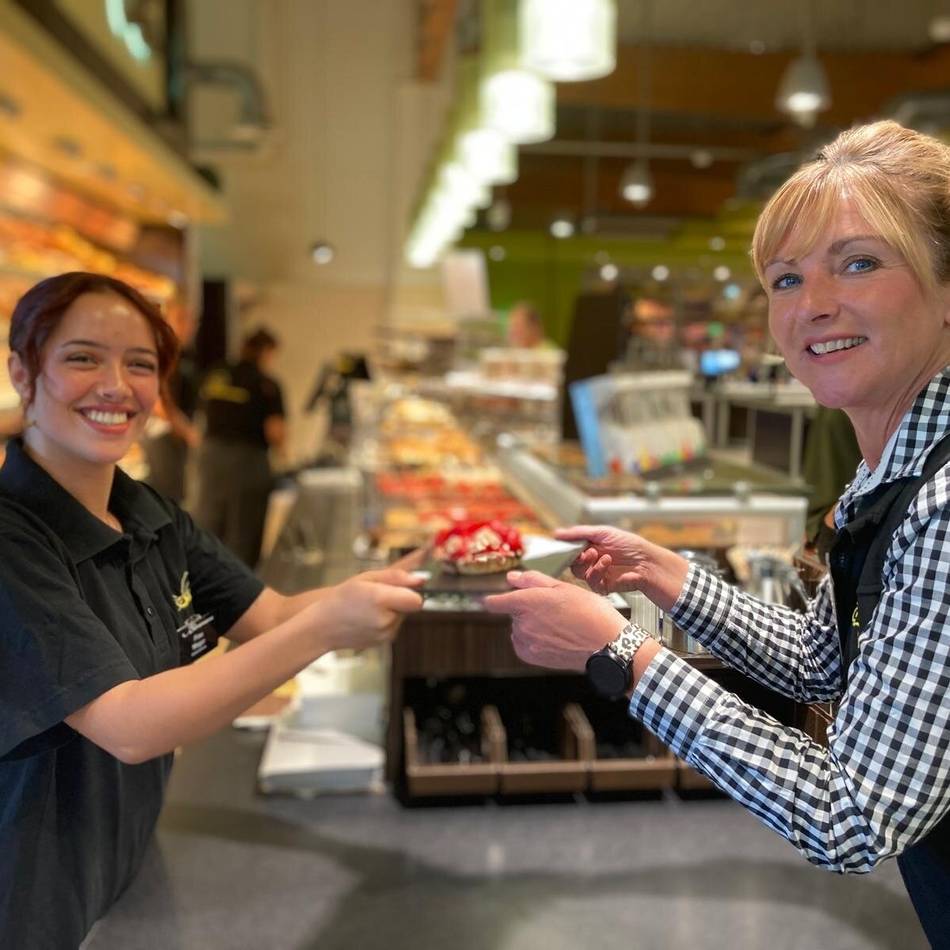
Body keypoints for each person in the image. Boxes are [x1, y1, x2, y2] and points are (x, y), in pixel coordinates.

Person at [484, 120, 950, 945]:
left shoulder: (943, 504)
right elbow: (823, 662)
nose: (814, 305)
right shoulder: (893, 470)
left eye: (859, 263)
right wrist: (666, 576)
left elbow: (850, 820)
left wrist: (620, 653)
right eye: (785, 278)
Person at [0, 272, 424, 950]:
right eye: (83, 357)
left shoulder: (148, 514)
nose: (116, 384)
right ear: (25, 371)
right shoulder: (14, 538)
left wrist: (402, 581)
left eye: (140, 364)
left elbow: (273, 614)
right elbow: (129, 724)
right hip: (34, 895)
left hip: (125, 864)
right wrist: (326, 626)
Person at [193, 326, 286, 567]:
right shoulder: (266, 383)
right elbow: (275, 430)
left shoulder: (217, 373)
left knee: (209, 521)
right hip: (247, 460)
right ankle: (237, 594)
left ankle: (199, 584)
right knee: (244, 530)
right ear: (266, 351)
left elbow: (201, 409)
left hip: (211, 454)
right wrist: (285, 458)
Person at [140, 293, 201, 504]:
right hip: (162, 435)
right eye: (181, 318)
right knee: (164, 499)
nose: (189, 326)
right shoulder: (159, 352)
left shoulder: (180, 355)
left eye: (192, 320)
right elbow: (157, 399)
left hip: (174, 437)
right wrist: (188, 431)